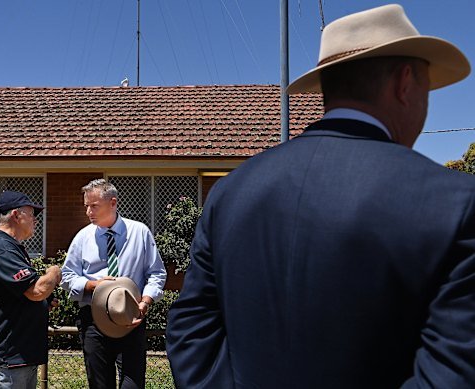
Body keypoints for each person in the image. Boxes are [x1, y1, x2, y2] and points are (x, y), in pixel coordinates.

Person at [166, 4, 475, 388]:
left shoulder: (231, 192)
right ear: (405, 82)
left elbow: (190, 331)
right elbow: (455, 370)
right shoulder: (456, 202)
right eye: (428, 89)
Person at [61, 179, 166, 389]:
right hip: (93, 319)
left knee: (133, 384)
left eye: (94, 206)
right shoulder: (83, 237)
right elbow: (67, 276)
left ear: (113, 203)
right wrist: (93, 285)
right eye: (86, 206)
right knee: (100, 384)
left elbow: (156, 273)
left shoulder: (139, 232)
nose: (88, 212)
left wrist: (144, 302)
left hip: (130, 316)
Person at [0, 190, 62, 389]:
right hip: (6, 362)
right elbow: (36, 290)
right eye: (32, 214)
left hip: (20, 359)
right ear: (16, 215)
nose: (35, 220)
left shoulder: (12, 248)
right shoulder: (1, 247)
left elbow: (20, 294)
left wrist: (44, 303)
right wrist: (54, 272)